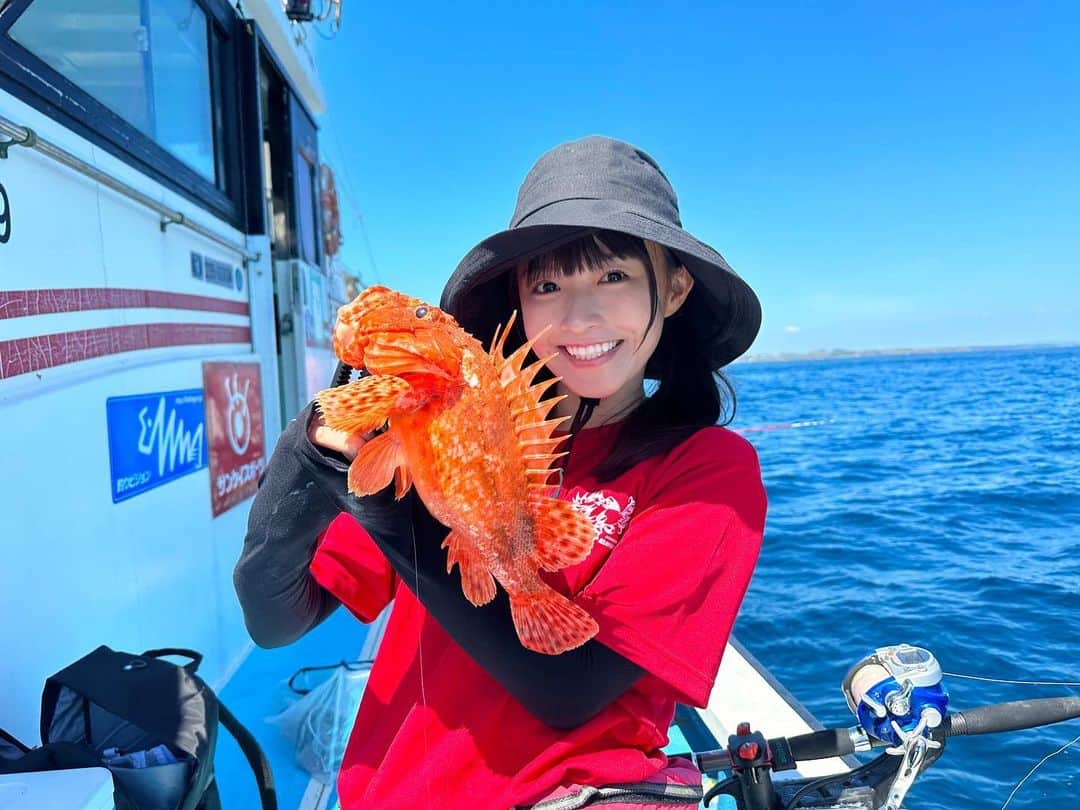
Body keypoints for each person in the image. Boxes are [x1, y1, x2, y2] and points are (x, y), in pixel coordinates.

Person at [235, 136, 767, 809]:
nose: (580, 315)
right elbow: (274, 619)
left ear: (675, 288)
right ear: (519, 297)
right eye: (548, 284)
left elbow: (569, 691)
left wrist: (387, 508)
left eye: (614, 276)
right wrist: (308, 454)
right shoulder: (432, 424)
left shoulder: (707, 471)